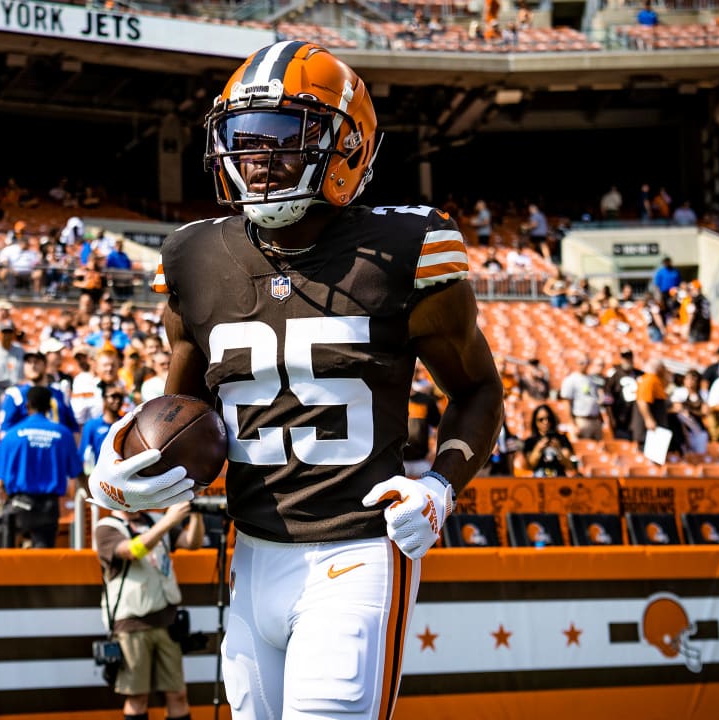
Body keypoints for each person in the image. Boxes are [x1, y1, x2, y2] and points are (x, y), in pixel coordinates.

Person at [84, 42, 502, 720]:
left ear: (348, 147)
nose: (255, 157)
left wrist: (440, 486)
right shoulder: (195, 256)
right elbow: (185, 409)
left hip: (360, 551)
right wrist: (123, 457)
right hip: (249, 556)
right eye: (242, 138)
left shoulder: (407, 250)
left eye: (282, 136)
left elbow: (478, 388)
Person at [94, 501, 203, 720]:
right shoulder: (106, 527)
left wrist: (196, 514)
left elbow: (192, 543)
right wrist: (169, 521)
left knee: (178, 695)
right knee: (137, 697)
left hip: (167, 621)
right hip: (131, 625)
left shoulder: (154, 520)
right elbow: (133, 551)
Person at [0, 386, 83, 548]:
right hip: (49, 507)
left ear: (27, 406)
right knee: (43, 561)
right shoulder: (63, 434)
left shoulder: (13, 434)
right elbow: (76, 472)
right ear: (50, 406)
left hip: (20, 504)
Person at [523, 404, 576, 477]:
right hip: (539, 479)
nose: (545, 422)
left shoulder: (562, 438)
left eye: (548, 418)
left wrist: (558, 450)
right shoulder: (530, 441)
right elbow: (530, 465)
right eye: (541, 419)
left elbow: (569, 466)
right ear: (535, 422)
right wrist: (538, 448)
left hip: (559, 477)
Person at [559, 355, 604, 440]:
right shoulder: (571, 379)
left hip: (594, 419)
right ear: (575, 363)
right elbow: (566, 402)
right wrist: (572, 423)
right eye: (581, 362)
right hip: (581, 419)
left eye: (586, 362)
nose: (584, 365)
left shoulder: (591, 379)